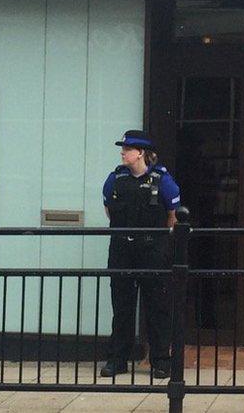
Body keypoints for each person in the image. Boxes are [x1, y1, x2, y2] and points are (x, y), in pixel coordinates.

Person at [100, 130, 181, 379]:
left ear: (141, 153)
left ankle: (160, 360)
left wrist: (157, 241)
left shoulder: (162, 180)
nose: (123, 152)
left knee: (157, 306)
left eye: (128, 149)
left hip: (152, 250)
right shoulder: (115, 179)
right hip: (122, 249)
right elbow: (108, 209)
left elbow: (173, 217)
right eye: (123, 149)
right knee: (122, 306)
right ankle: (118, 359)